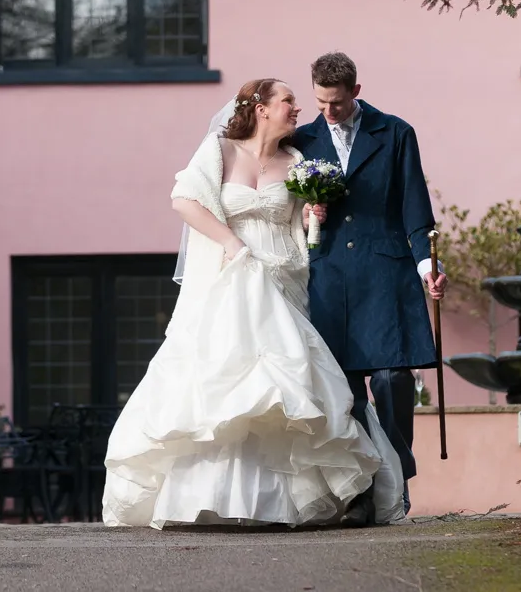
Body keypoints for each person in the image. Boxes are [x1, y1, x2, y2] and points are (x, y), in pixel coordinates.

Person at [102, 78, 405, 530]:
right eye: (288, 101)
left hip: (285, 277)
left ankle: (283, 502)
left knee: (285, 385)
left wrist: (309, 216)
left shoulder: (297, 161)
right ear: (261, 108)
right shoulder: (220, 151)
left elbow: (295, 228)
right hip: (232, 276)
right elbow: (185, 201)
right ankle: (210, 497)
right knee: (229, 378)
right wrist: (231, 246)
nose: (297, 109)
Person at [292, 52, 448, 525]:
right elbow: (284, 208)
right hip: (328, 275)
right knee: (344, 391)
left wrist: (427, 268)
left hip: (386, 273)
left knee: (391, 379)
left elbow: (415, 209)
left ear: (355, 92)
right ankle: (360, 494)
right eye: (321, 102)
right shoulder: (301, 140)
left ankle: (397, 475)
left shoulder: (396, 133)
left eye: (337, 103)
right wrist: (306, 214)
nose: (329, 112)